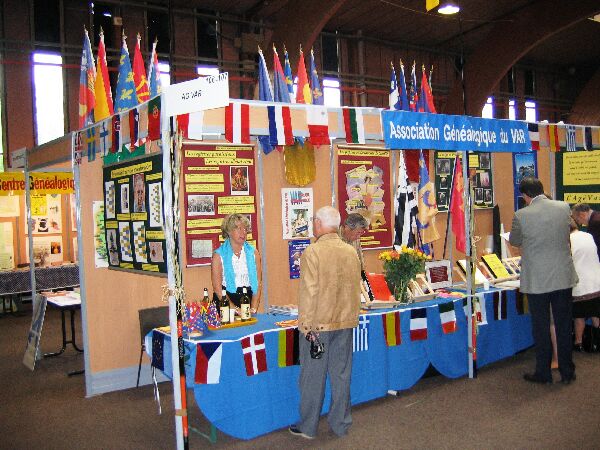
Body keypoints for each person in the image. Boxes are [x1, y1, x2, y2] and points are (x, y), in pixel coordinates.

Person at [290, 206, 361, 439]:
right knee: (341, 376)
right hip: (345, 322)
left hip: (318, 327)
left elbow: (309, 293)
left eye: (314, 221)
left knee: (312, 377)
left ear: (319, 224)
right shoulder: (350, 251)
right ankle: (340, 424)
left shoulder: (312, 252)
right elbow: (355, 289)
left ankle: (308, 427)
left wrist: (305, 326)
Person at [509, 177, 578, 385]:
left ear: (525, 195)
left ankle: (543, 373)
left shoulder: (521, 215)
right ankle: (567, 371)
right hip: (562, 276)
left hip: (537, 280)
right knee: (563, 325)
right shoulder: (563, 207)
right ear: (542, 189)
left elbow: (515, 241)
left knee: (541, 327)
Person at [211, 214, 262, 315]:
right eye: (238, 228)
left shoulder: (253, 253)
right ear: (229, 231)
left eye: (245, 229)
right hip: (225, 301)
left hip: (246, 299)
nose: (243, 232)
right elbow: (217, 288)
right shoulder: (218, 255)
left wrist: (253, 308)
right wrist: (235, 309)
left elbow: (258, 283)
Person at [569, 218, 600, 351]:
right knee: (596, 313)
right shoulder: (588, 235)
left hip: (580, 284)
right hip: (596, 282)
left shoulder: (568, 240)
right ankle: (597, 342)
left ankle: (578, 342)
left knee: (579, 316)